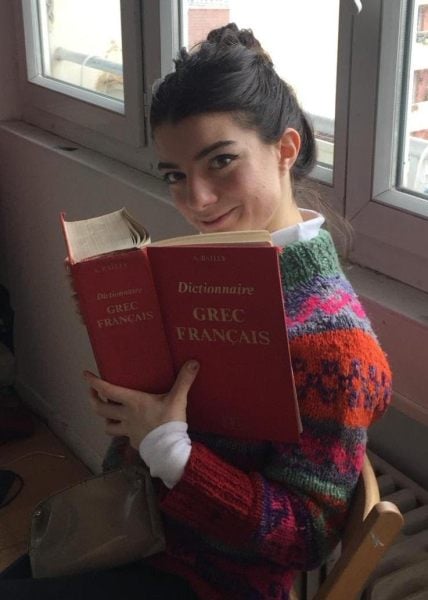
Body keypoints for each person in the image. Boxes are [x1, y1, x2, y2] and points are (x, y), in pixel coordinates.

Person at [0, 23, 391, 600]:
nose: (196, 200)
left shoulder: (334, 344)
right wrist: (123, 351)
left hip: (215, 581)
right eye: (176, 176)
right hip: (136, 532)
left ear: (286, 149)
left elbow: (306, 538)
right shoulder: (210, 275)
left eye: (221, 162)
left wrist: (170, 450)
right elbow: (184, 412)